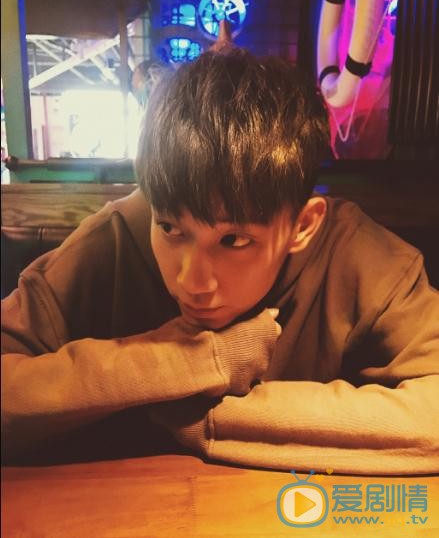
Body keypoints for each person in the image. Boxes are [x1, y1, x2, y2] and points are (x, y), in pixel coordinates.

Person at [2, 47, 438, 474]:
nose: (192, 282)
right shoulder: (112, 239)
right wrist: (192, 359)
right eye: (170, 228)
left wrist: (205, 416)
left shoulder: (360, 257)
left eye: (234, 240)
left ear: (302, 226)